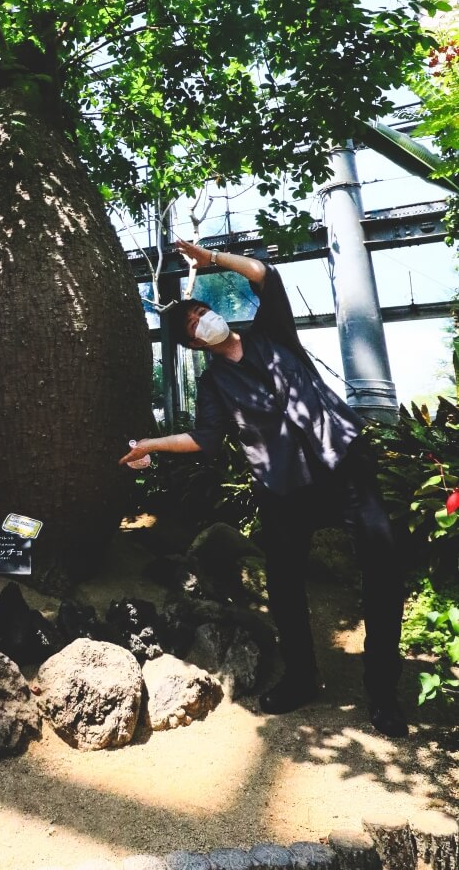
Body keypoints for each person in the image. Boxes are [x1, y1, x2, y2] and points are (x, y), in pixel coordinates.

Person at [120, 239, 407, 738]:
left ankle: (383, 693)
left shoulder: (272, 333)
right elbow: (204, 439)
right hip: (283, 486)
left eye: (201, 311)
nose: (201, 321)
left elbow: (264, 275)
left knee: (383, 567)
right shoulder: (213, 385)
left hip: (344, 464)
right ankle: (301, 677)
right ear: (192, 346)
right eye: (191, 326)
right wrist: (151, 443)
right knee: (283, 583)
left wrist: (212, 260)